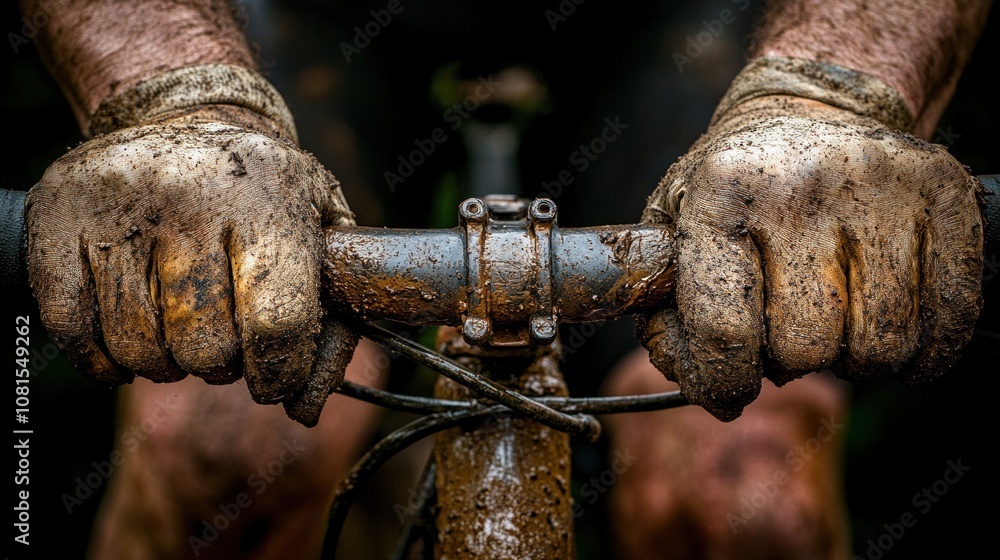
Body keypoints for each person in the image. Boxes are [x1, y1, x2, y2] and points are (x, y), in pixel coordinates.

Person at [17, 0, 991, 559]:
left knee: (744, 504)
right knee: (219, 455)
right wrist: (172, 94)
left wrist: (827, 91)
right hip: (298, 7)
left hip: (688, 10)